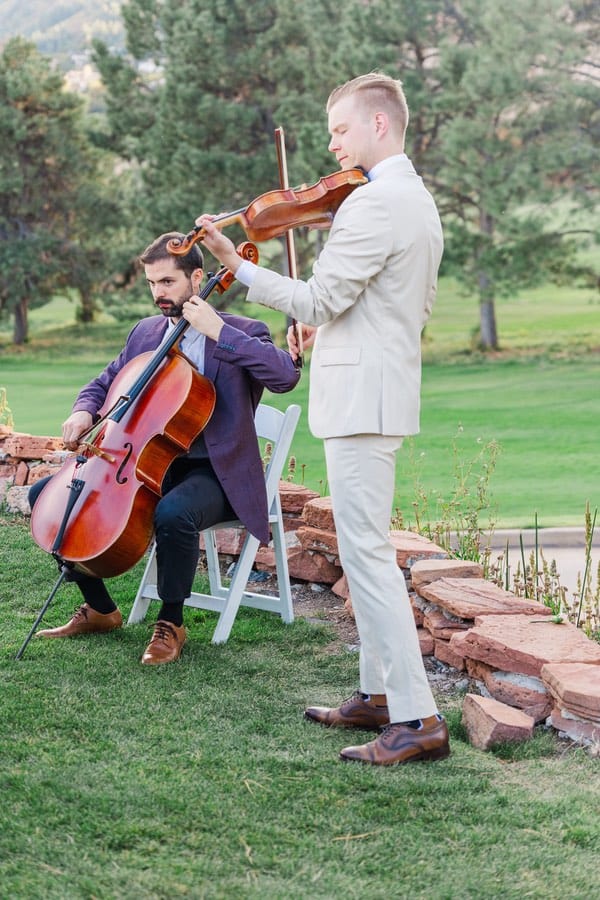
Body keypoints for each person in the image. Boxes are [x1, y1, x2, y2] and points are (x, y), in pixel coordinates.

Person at [195, 73, 448, 766]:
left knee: (367, 557)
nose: (332, 144)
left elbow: (318, 297)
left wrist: (235, 266)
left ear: (379, 125)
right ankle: (374, 694)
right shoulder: (416, 201)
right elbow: (389, 308)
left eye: (339, 129)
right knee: (365, 550)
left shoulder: (373, 203)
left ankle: (418, 719)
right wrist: (329, 331)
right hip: (378, 387)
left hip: (362, 400)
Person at [29, 233, 300, 664]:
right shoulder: (146, 333)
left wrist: (220, 331)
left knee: (174, 513)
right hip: (148, 463)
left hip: (214, 470)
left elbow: (285, 376)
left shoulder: (243, 331)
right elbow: (105, 381)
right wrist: (84, 411)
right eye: (152, 283)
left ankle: (171, 621)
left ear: (197, 276)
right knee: (47, 495)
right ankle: (101, 609)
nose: (159, 293)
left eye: (168, 282)